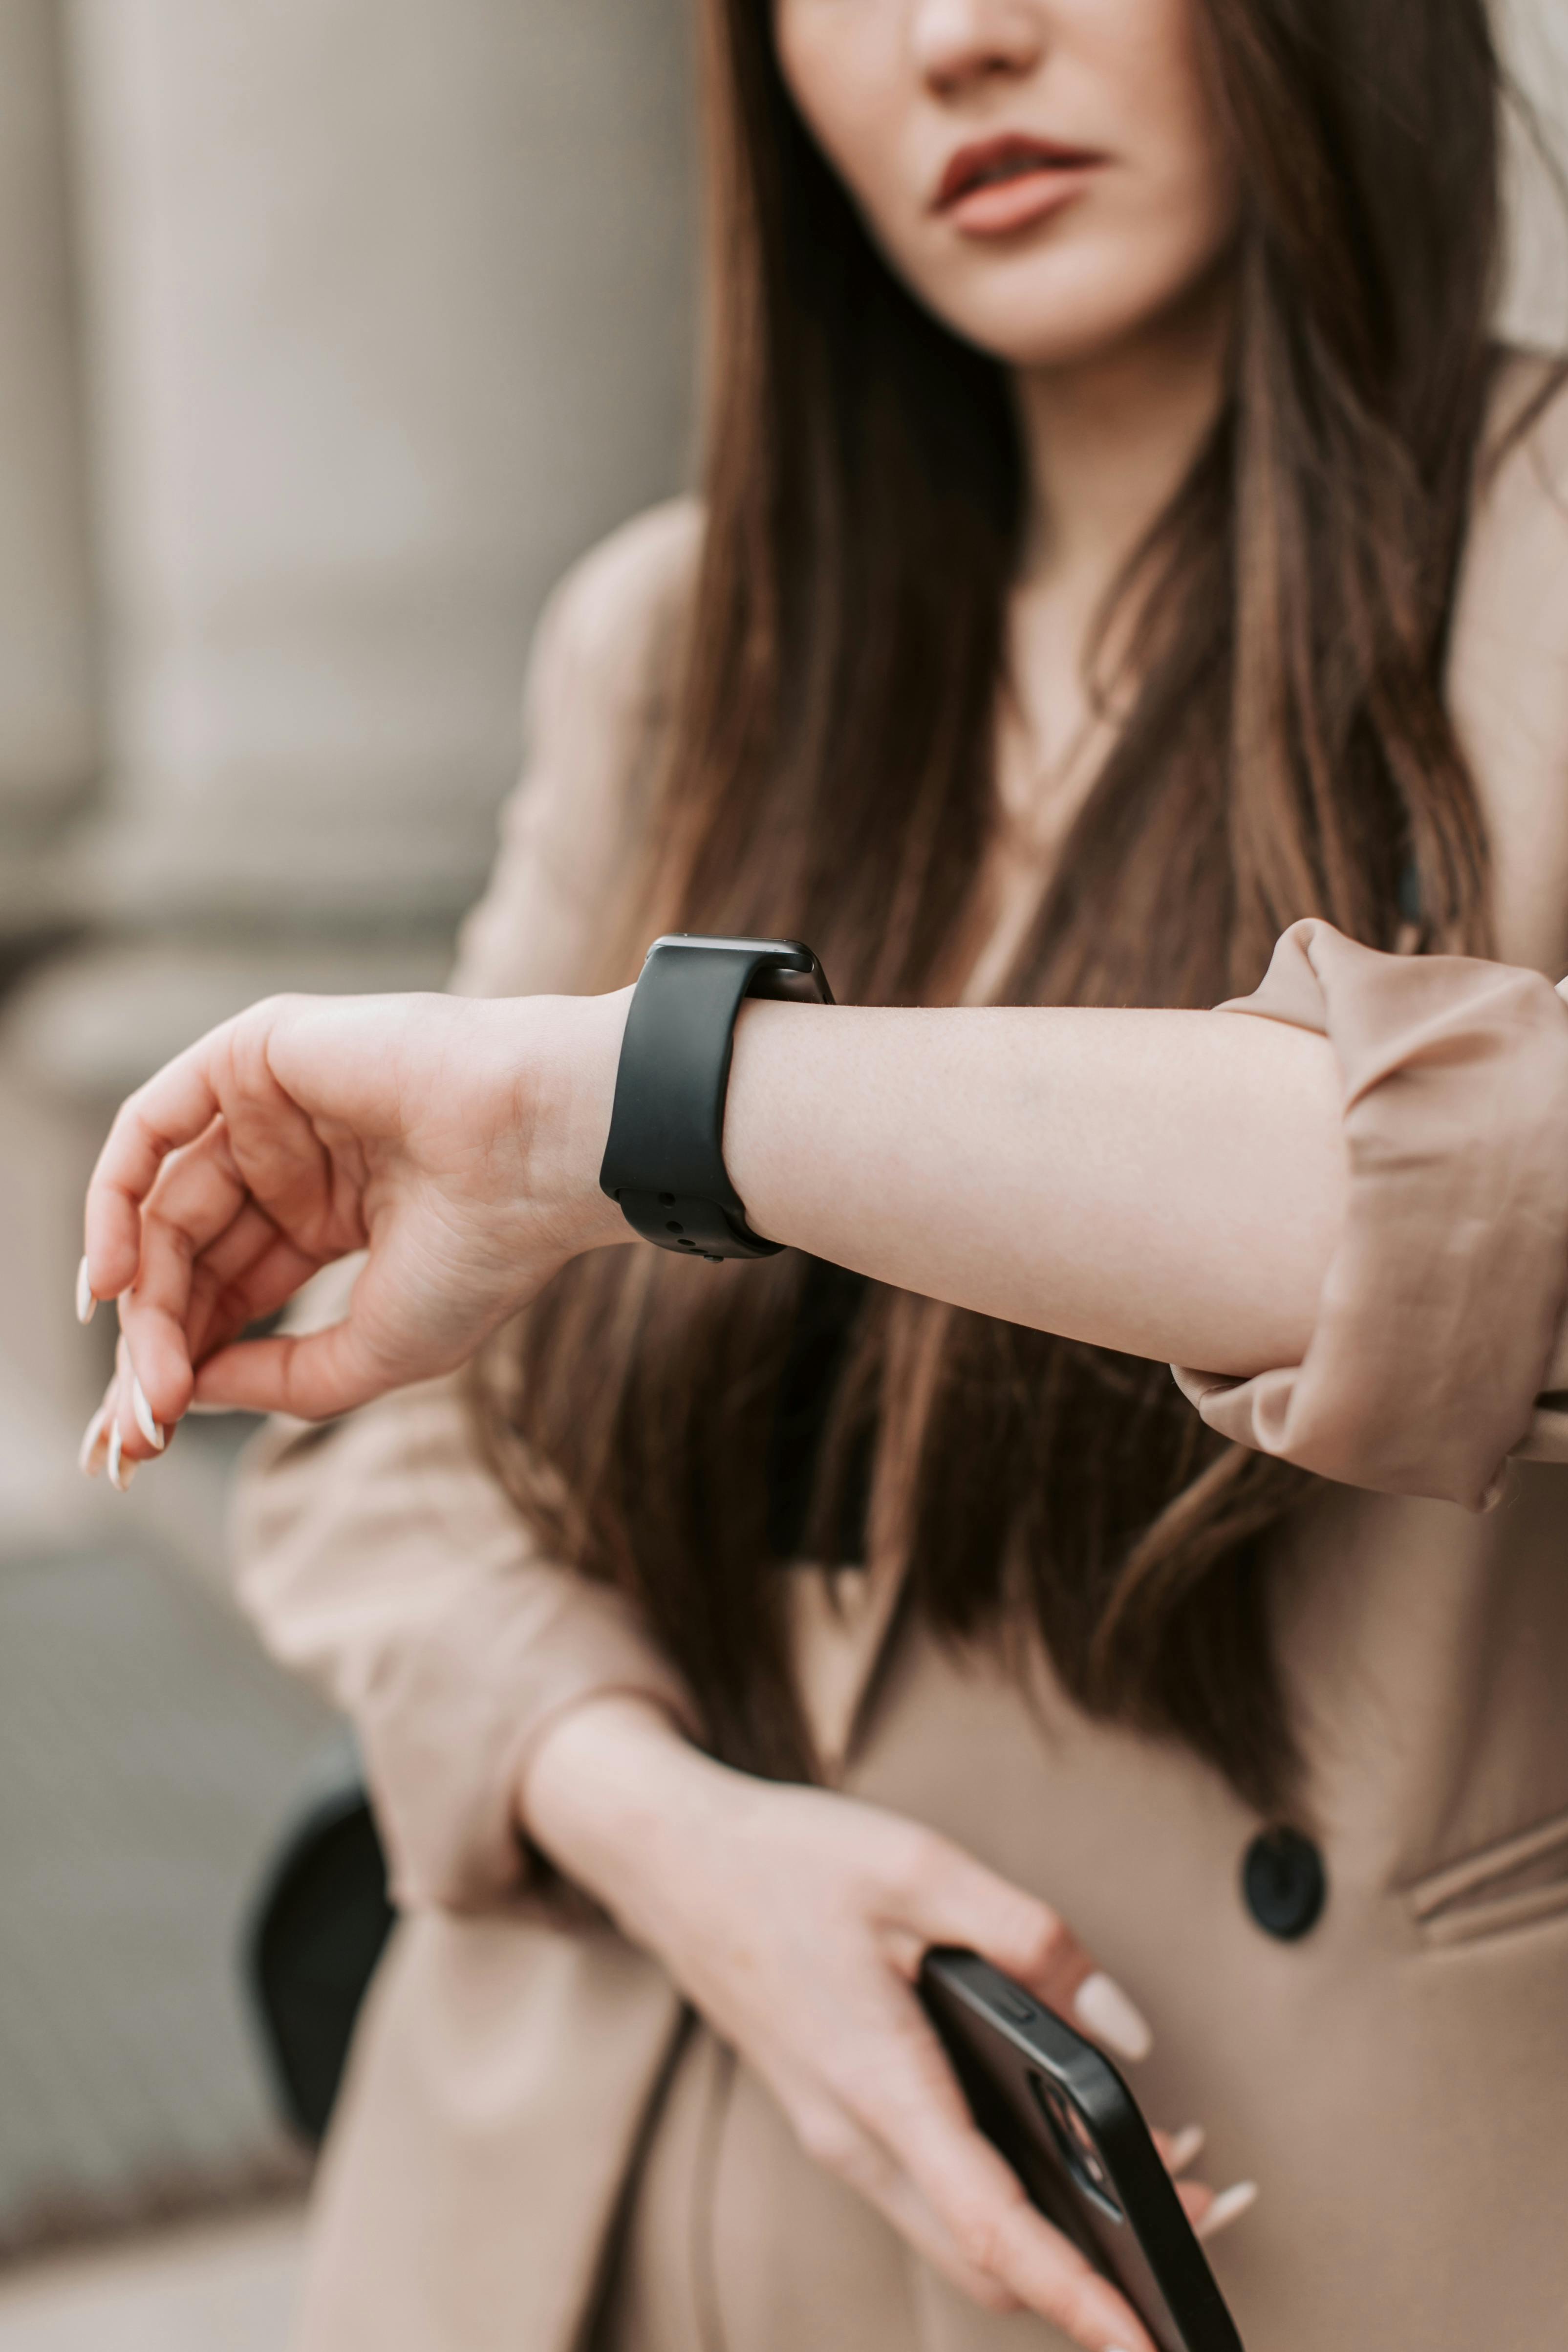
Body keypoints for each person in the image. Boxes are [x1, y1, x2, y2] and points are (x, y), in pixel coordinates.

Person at [78, 0, 1568, 2344]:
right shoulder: (681, 645)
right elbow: (381, 1442)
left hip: (1302, 2226)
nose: (955, 39)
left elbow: (1501, 1207)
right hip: (583, 2198)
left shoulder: (1536, 577)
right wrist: (658, 1827)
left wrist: (648, 1109)